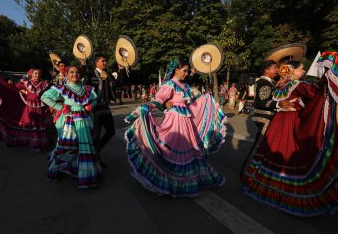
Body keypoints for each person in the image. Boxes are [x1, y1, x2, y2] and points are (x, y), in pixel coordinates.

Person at [240, 56, 338, 216]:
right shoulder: (296, 84)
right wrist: (328, 75)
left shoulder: (281, 85)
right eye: (301, 69)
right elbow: (318, 93)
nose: (304, 71)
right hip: (290, 124)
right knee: (288, 156)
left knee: (272, 154)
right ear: (292, 71)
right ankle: (285, 193)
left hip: (277, 123)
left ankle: (267, 187)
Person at [124, 59, 226, 197]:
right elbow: (158, 101)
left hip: (186, 122)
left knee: (190, 151)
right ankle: (171, 181)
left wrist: (207, 99)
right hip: (174, 122)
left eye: (188, 71)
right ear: (177, 70)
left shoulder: (185, 86)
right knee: (172, 151)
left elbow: (193, 102)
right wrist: (149, 106)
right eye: (185, 70)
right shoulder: (169, 84)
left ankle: (188, 182)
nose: (187, 73)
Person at [41, 65, 101, 188]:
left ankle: (81, 172)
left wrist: (91, 106)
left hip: (84, 121)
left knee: (83, 146)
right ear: (67, 74)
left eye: (77, 72)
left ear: (81, 74)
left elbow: (95, 99)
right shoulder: (62, 88)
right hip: (69, 121)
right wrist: (61, 107)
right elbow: (44, 97)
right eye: (72, 72)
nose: (75, 74)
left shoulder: (87, 89)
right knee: (67, 145)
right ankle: (61, 169)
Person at [0, 69, 54, 152]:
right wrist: (3, 84)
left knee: (39, 125)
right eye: (35, 73)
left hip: (40, 107)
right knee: (31, 125)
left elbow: (50, 93)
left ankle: (41, 144)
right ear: (32, 74)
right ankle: (34, 145)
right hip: (29, 108)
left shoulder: (44, 84)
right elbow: (13, 89)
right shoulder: (26, 82)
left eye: (39, 73)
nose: (37, 75)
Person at [240, 60, 293, 177]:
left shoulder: (266, 82)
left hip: (263, 116)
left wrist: (276, 87)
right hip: (264, 117)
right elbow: (263, 102)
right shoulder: (264, 82)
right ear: (267, 70)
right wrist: (279, 104)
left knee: (264, 147)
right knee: (258, 147)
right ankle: (245, 172)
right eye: (275, 68)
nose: (276, 71)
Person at [84, 55, 126, 168]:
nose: (105, 62)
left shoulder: (107, 75)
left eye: (105, 60)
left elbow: (119, 83)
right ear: (97, 63)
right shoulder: (90, 74)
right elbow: (84, 88)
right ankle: (95, 158)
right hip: (94, 109)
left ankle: (95, 151)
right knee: (96, 135)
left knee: (111, 131)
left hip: (105, 108)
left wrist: (121, 69)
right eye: (103, 61)